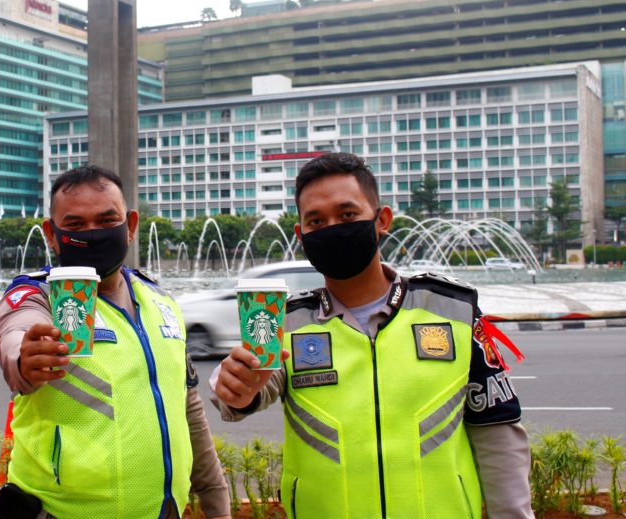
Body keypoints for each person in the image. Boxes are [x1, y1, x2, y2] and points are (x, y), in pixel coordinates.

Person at [212, 152, 533, 519]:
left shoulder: (453, 310)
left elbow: (497, 433)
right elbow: (243, 392)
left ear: (381, 220)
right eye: (316, 221)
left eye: (347, 215)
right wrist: (235, 387)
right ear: (300, 236)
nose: (332, 228)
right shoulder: (287, 322)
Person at [0, 165, 229, 519]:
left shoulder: (161, 302)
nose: (92, 234)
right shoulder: (37, 296)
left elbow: (188, 408)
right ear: (51, 235)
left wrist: (217, 505)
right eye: (74, 225)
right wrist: (25, 359)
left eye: (106, 221)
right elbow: (15, 333)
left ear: (130, 226)